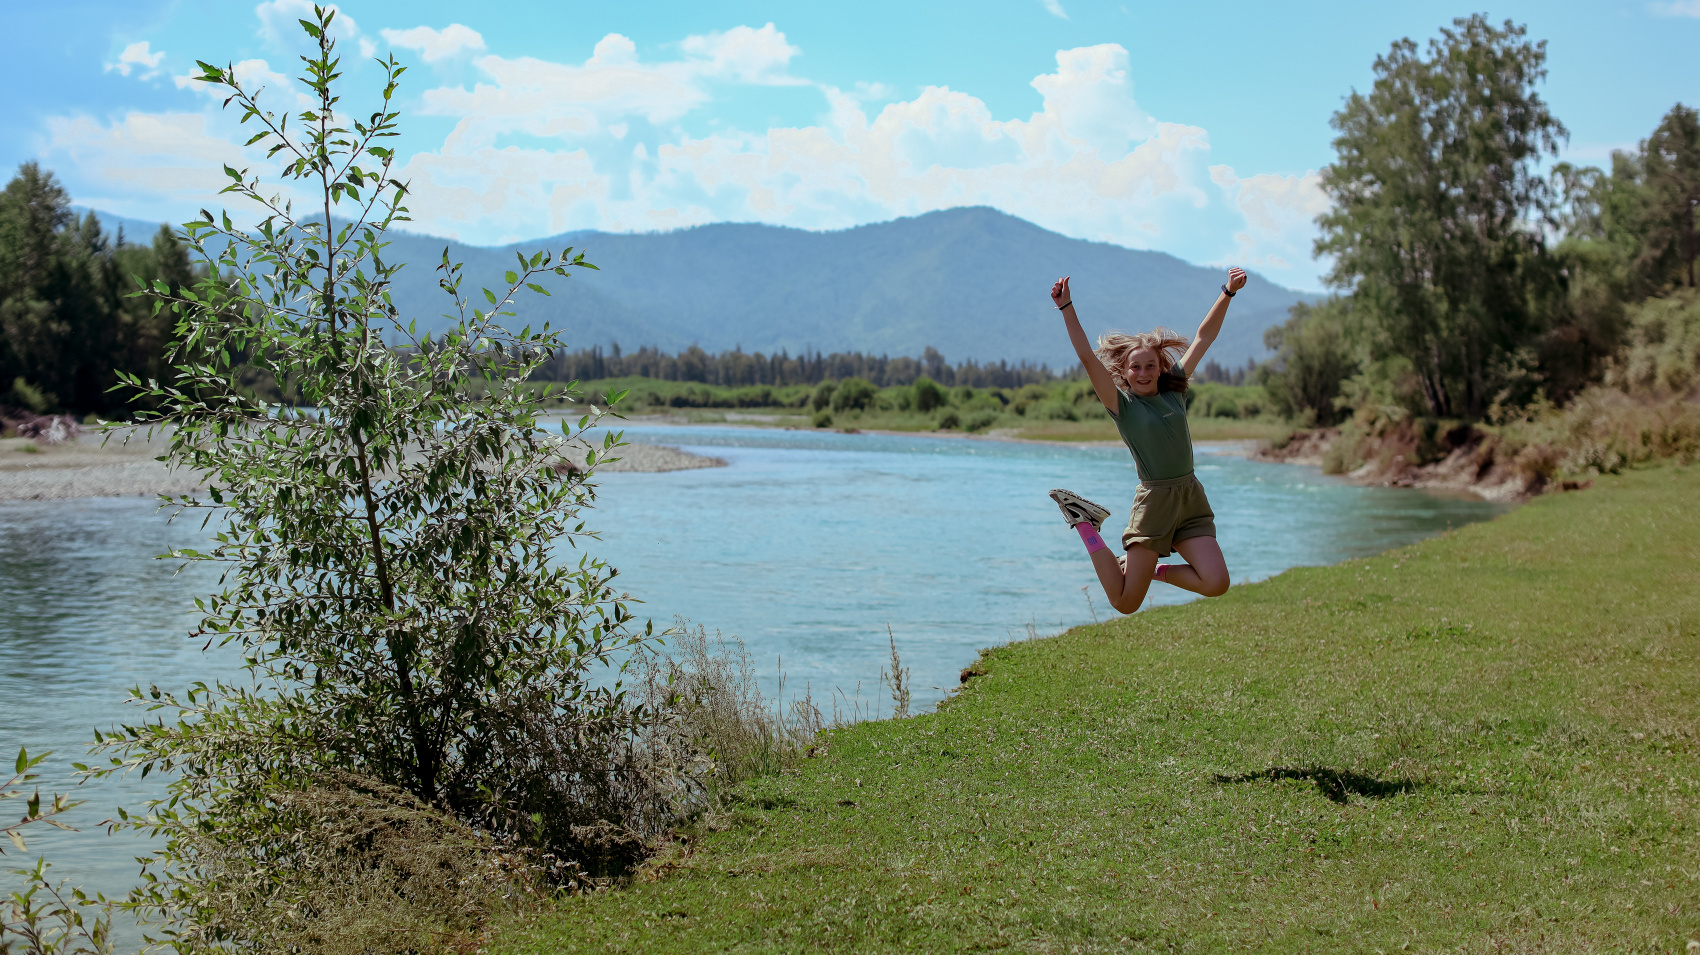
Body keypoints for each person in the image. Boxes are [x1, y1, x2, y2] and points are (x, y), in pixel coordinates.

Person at [1046, 267, 1247, 614]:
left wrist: (1227, 292)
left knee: (1216, 582)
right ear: (1125, 372)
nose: (1143, 373)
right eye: (1135, 367)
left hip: (1190, 498)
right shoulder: (1122, 406)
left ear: (1160, 367)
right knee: (1125, 602)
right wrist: (1066, 307)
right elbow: (1087, 358)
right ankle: (1086, 524)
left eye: (1150, 366)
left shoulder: (1174, 390)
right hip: (1154, 504)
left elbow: (1203, 337)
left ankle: (1152, 569)